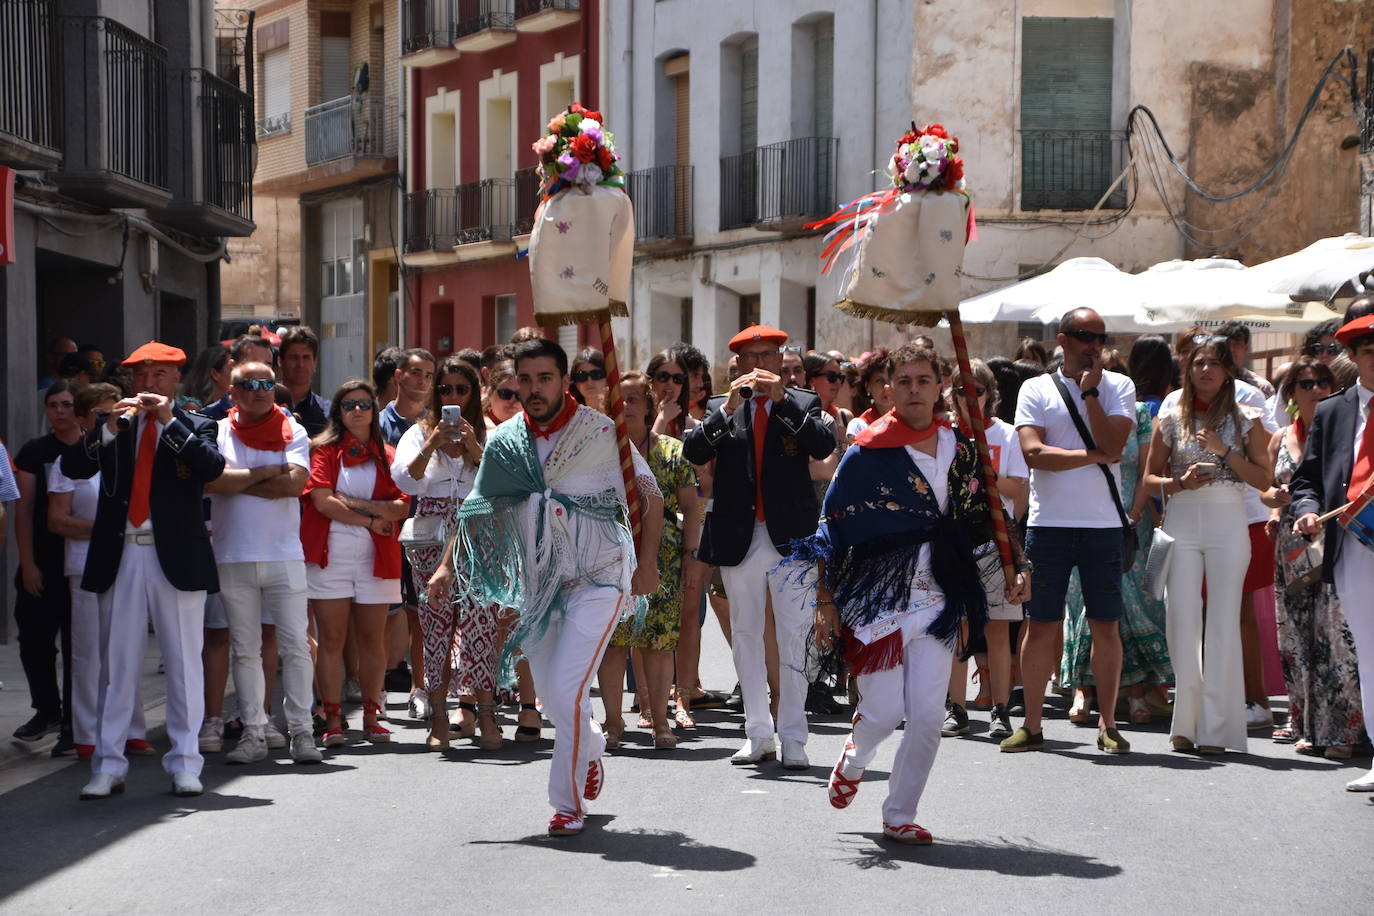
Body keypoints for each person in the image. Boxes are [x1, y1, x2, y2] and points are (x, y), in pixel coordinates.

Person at [428, 338, 664, 837]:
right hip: (539, 589)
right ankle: (590, 747)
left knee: (565, 690)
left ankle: (566, 805)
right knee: (558, 704)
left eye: (545, 379)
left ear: (564, 381)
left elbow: (649, 494)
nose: (534, 389)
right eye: (526, 380)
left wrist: (646, 565)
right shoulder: (506, 441)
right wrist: (447, 567)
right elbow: (478, 506)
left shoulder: (602, 431)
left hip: (601, 578)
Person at [802, 344, 1030, 845]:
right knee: (883, 712)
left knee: (927, 716)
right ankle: (857, 755)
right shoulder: (866, 453)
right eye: (903, 381)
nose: (913, 390)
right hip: (877, 596)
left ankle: (899, 813)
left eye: (923, 380)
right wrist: (825, 599)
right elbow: (831, 526)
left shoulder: (961, 447)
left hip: (940, 595)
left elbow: (989, 513)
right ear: (888, 390)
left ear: (940, 386)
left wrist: (1019, 565)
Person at [63, 342, 226, 799]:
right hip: (123, 554)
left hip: (175, 556)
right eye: (140, 376)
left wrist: (169, 421)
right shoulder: (116, 424)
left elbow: (211, 467)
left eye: (157, 376)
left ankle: (186, 763)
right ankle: (108, 764)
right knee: (117, 665)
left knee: (184, 665)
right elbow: (73, 466)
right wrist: (108, 429)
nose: (147, 384)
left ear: (175, 381)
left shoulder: (196, 424)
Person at [683, 324, 834, 769]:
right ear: (737, 365)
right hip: (740, 536)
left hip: (791, 536)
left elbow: (823, 445)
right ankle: (758, 734)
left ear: (780, 361)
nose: (758, 365)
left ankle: (794, 736)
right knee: (746, 636)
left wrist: (782, 401)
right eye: (749, 359)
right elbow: (694, 452)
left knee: (794, 636)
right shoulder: (721, 406)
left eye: (766, 356)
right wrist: (728, 409)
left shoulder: (802, 402)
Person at [1007, 308, 1135, 755]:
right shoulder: (1035, 388)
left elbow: (1115, 444)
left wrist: (1092, 394)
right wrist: (1093, 456)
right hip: (1049, 525)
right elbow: (1033, 453)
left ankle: (1108, 723)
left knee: (1106, 626)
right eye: (1084, 336)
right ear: (1062, 340)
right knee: (1041, 625)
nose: (1093, 345)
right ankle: (1032, 725)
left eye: (1100, 337)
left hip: (1103, 526)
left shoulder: (1118, 386)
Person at [1144, 336, 1271, 754]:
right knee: (1181, 619)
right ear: (1188, 368)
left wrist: (1225, 452)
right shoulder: (1171, 414)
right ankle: (1186, 723)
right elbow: (1149, 480)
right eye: (1198, 362)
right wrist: (1179, 483)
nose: (1205, 370)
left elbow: (1264, 479)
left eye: (1214, 363)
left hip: (1228, 520)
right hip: (1181, 517)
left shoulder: (1246, 416)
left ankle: (1216, 729)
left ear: (1228, 370)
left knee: (1222, 622)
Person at [202, 361, 321, 764]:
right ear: (232, 391)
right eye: (249, 384)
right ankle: (253, 732)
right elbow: (212, 482)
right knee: (244, 649)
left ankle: (302, 733)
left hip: (284, 556)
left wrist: (239, 480)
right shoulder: (217, 431)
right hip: (232, 556)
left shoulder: (293, 430)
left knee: (296, 647)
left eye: (267, 384)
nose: (260, 391)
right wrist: (268, 470)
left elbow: (294, 484)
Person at [1058, 343, 1175, 730]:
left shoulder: (1138, 413)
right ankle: (1082, 690)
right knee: (1082, 605)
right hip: (1083, 519)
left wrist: (1134, 514)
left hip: (1129, 522)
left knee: (1128, 606)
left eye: (1105, 374)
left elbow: (1146, 470)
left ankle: (1137, 692)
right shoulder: (1073, 409)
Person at [1290, 300, 1374, 790]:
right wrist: (1306, 510)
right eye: (1369, 351)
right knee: (1370, 652)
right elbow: (1307, 478)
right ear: (1353, 356)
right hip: (1352, 546)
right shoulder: (1333, 410)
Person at [389, 358, 493, 749]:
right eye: (445, 389)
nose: (453, 397)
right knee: (435, 624)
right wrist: (432, 443)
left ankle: (485, 714)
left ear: (474, 394)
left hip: (477, 529)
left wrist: (473, 446)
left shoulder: (487, 433)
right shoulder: (418, 433)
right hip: (431, 535)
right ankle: (438, 716)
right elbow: (405, 481)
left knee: (480, 621)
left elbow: (498, 482)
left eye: (461, 390)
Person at [47, 384, 153, 761]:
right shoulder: (70, 461)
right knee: (89, 654)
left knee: (127, 647)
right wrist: (108, 529)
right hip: (85, 565)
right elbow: (57, 520)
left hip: (129, 561)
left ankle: (132, 729)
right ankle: (88, 733)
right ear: (83, 420)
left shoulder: (132, 454)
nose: (113, 419)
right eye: (101, 415)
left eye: (117, 412)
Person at [302, 381, 410, 749]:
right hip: (330, 555)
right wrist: (370, 520)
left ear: (374, 410)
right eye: (349, 405)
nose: (358, 411)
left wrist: (353, 503)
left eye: (364, 404)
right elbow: (323, 501)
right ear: (338, 412)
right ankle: (332, 718)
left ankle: (371, 716)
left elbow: (401, 506)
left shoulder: (388, 454)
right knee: (331, 638)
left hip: (377, 557)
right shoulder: (323, 450)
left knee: (372, 639)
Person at [598, 372, 702, 750]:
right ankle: (613, 722)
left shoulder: (672, 452)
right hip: (611, 560)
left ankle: (660, 720)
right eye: (619, 400)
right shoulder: (600, 452)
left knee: (658, 642)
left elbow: (692, 508)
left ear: (648, 405)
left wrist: (692, 556)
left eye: (633, 399)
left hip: (664, 561)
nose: (625, 407)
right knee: (614, 642)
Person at [1266, 356, 1363, 758]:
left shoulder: (1345, 422)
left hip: (1336, 537)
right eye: (1306, 383)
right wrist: (1276, 508)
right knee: (1297, 637)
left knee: (1335, 637)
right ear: (1291, 393)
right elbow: (1270, 488)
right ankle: (1305, 721)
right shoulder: (1280, 437)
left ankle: (1342, 729)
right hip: (1295, 543)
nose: (1317, 389)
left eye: (1323, 381)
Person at [942, 360, 1028, 740]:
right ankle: (957, 708)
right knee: (958, 627)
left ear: (989, 394)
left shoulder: (1005, 435)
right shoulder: (944, 434)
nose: (969, 397)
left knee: (997, 627)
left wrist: (984, 471)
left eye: (976, 390)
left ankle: (1000, 709)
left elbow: (1018, 491)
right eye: (961, 390)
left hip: (995, 540)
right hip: (954, 539)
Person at [11, 382, 82, 751]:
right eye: (53, 405)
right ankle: (47, 709)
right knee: (34, 641)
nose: (60, 411)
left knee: (77, 647)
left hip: (83, 564)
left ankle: (74, 722)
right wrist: (27, 563)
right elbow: (22, 510)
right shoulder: (34, 451)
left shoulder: (94, 448)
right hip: (42, 562)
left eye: (67, 404)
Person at [378, 348, 436, 720]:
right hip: (386, 531)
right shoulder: (378, 423)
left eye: (429, 375)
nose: (422, 380)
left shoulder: (435, 424)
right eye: (416, 372)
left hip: (426, 531)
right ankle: (377, 689)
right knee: (382, 615)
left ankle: (420, 688)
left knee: (420, 614)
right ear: (398, 376)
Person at [278, 326, 332, 437]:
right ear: (280, 361)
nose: (300, 364)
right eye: (294, 357)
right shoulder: (265, 405)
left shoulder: (329, 412)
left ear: (315, 363)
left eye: (306, 357)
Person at [646, 349, 696, 438]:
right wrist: (662, 418)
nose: (670, 383)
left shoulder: (691, 426)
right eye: (663, 376)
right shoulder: (639, 417)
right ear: (651, 380)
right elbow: (650, 446)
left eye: (678, 378)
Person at [846, 349, 892, 442]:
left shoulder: (913, 420)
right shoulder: (860, 426)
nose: (886, 386)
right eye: (879, 380)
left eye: (891, 380)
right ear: (868, 387)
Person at [179, 345, 234, 415]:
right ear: (215, 374)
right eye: (231, 369)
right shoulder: (192, 406)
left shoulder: (231, 402)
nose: (236, 373)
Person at [568, 348, 609, 414]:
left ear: (606, 378)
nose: (589, 381)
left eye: (596, 374)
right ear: (575, 382)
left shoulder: (620, 413)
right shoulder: (570, 416)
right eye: (581, 376)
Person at [483, 360, 522, 428]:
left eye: (520, 395)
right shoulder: (474, 425)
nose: (512, 401)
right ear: (491, 393)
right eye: (505, 393)